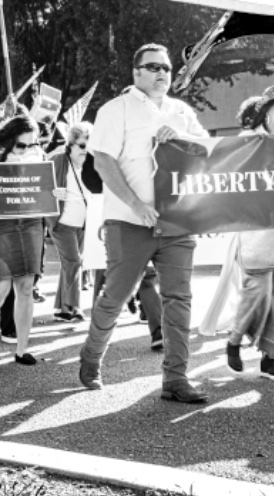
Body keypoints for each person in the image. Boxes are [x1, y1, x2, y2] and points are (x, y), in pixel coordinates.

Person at [78, 43, 210, 403]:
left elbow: (207, 152)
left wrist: (180, 138)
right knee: (116, 296)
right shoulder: (115, 109)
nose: (162, 73)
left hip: (177, 222)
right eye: (153, 67)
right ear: (136, 72)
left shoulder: (181, 112)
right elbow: (104, 162)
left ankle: (176, 378)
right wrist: (135, 205)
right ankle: (91, 359)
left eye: (166, 68)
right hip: (128, 221)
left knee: (179, 299)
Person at [0, 113, 66, 365]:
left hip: (30, 223)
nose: (27, 149)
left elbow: (43, 188)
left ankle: (21, 350)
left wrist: (55, 193)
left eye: (32, 144)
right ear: (9, 138)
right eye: (21, 145)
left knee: (25, 288)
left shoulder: (38, 154)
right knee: (0, 290)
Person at [225, 85, 274, 381]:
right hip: (256, 227)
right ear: (266, 111)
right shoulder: (247, 141)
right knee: (257, 290)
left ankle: (270, 358)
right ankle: (234, 340)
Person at [48, 121, 102, 322]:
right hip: (62, 223)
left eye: (89, 146)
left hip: (85, 223)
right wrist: (51, 193)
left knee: (69, 264)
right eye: (81, 145)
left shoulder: (95, 164)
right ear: (70, 144)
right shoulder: (57, 161)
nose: (85, 150)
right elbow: (37, 184)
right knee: (74, 262)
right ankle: (73, 306)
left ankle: (62, 307)